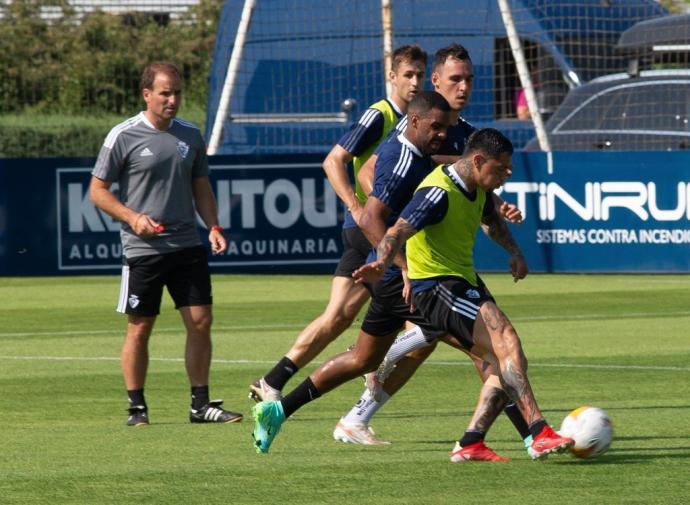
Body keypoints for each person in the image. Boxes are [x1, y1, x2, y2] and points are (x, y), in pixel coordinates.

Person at [335, 44, 533, 460]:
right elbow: (371, 173)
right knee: (485, 347)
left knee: (434, 343)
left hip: (440, 262)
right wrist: (400, 241)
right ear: (436, 82)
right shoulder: (421, 128)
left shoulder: (470, 136)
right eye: (454, 79)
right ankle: (526, 433)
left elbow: (468, 192)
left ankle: (357, 414)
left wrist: (493, 209)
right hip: (407, 257)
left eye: (469, 79)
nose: (463, 87)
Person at [251, 90, 455, 454]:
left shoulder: (419, 148)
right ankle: (511, 434)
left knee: (360, 355)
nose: (442, 132)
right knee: (478, 340)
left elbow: (368, 170)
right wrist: (403, 266)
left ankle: (278, 409)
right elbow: (361, 195)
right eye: (437, 127)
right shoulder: (395, 139)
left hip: (391, 262)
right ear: (417, 120)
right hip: (397, 266)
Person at [352, 128, 574, 460]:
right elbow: (398, 230)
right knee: (506, 338)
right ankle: (538, 431)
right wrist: (382, 262)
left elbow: (492, 221)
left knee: (505, 359)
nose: (506, 175)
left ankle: (472, 441)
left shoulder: (477, 187)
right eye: (501, 169)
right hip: (436, 286)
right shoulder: (437, 193)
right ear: (479, 160)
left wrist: (515, 252)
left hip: (462, 282)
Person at [89, 61, 242, 426]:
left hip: (187, 245)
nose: (172, 100)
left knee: (201, 321)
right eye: (165, 93)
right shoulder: (122, 135)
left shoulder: (190, 135)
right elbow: (97, 191)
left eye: (177, 93)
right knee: (140, 327)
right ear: (147, 94)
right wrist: (133, 218)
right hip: (143, 251)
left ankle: (200, 405)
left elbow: (200, 185)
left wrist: (214, 226)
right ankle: (137, 408)